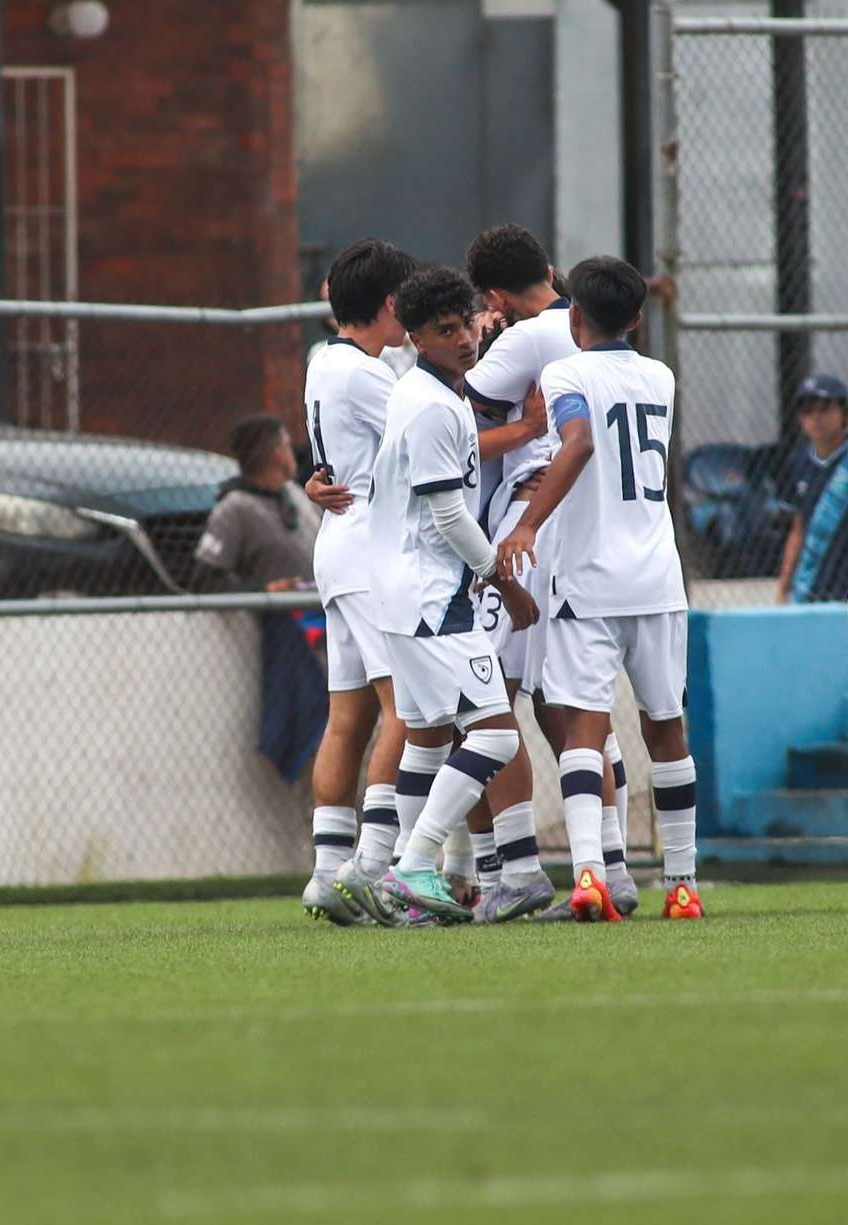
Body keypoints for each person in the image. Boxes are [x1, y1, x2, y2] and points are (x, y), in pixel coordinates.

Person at [498, 255, 704, 922]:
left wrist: (527, 521)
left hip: (588, 579)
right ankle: (683, 885)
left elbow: (580, 441)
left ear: (574, 316)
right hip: (657, 576)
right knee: (666, 728)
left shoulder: (565, 371)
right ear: (639, 318)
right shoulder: (660, 375)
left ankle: (589, 878)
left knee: (583, 728)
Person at [341, 264, 538, 925]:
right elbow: (450, 515)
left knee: (426, 738)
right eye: (443, 331)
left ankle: (369, 871)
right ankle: (416, 864)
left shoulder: (431, 393)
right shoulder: (429, 406)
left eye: (465, 325)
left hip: (405, 593)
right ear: (416, 339)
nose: (463, 340)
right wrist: (505, 584)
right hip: (431, 597)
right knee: (497, 735)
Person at [461, 222, 628, 922]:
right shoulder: (602, 338)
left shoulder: (530, 338)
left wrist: (485, 342)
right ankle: (611, 869)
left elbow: (449, 417)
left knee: (483, 694)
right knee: (566, 703)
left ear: (495, 294)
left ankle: (518, 866)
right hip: (592, 527)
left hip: (531, 520)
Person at [296, 238, 418, 926]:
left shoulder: (325, 360)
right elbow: (432, 425)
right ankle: (367, 870)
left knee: (349, 718)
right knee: (407, 711)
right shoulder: (372, 375)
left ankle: (325, 870)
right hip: (371, 545)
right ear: (390, 303)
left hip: (338, 547)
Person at [775, 374, 848, 605]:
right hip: (809, 587)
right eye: (808, 411)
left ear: (845, 413)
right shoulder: (798, 463)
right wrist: (784, 586)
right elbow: (798, 529)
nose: (816, 418)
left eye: (825, 409)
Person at [193, 414, 320, 593]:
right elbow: (206, 578)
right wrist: (264, 591)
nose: (292, 453)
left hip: (320, 607)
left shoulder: (295, 492)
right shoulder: (236, 507)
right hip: (278, 615)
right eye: (287, 446)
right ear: (276, 455)